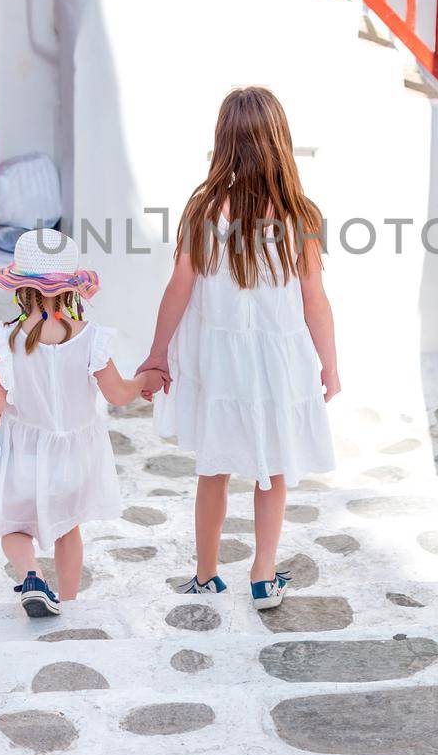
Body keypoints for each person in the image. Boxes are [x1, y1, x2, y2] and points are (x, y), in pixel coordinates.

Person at [138, 86, 340, 611]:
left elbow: (178, 287)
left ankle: (206, 574)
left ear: (223, 141)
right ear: (280, 141)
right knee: (272, 470)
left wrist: (158, 353)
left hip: (221, 364)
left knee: (214, 467)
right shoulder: (300, 214)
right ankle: (263, 574)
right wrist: (330, 363)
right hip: (278, 363)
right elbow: (314, 298)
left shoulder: (204, 209)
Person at [0, 229, 162, 617]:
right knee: (68, 529)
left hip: (24, 453)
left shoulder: (4, 338)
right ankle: (70, 607)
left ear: (20, 288)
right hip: (76, 456)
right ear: (70, 288)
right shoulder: (91, 337)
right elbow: (118, 395)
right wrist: (145, 381)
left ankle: (32, 577)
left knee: (14, 528)